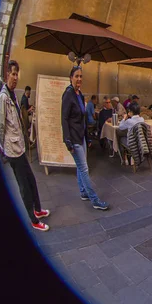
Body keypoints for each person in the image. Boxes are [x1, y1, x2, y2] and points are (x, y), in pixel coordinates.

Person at [0, 60, 50, 231]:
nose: (15, 77)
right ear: (6, 75)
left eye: (17, 74)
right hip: (12, 150)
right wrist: (2, 149)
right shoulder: (3, 97)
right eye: (12, 74)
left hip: (20, 147)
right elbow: (0, 126)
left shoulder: (12, 95)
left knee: (31, 180)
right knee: (24, 186)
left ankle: (38, 209)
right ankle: (34, 220)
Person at [62, 66, 109, 210]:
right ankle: (94, 199)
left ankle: (83, 192)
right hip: (74, 138)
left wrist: (88, 138)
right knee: (84, 168)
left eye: (81, 76)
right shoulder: (68, 94)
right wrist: (67, 140)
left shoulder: (79, 94)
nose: (79, 79)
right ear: (71, 78)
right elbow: (64, 118)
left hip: (82, 136)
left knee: (80, 166)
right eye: (76, 76)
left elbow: (83, 119)